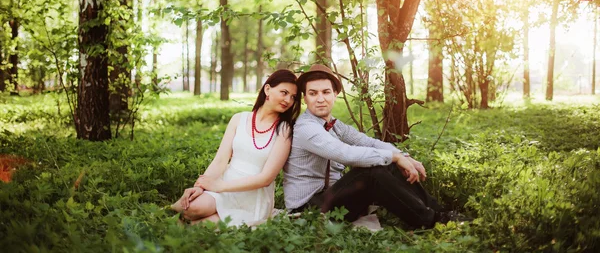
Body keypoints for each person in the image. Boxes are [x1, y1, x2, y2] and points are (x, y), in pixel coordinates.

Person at [283, 64, 465, 228]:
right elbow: (345, 153)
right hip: (307, 210)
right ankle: (430, 220)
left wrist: (403, 156)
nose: (320, 99)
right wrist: (395, 157)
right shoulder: (306, 127)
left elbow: (368, 142)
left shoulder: (335, 125)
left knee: (387, 160)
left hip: (330, 199)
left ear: (335, 94)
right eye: (313, 93)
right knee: (373, 171)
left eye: (326, 92)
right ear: (305, 98)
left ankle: (442, 214)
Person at [171, 69, 300, 226]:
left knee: (197, 224)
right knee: (191, 209)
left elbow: (266, 179)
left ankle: (199, 221)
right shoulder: (239, 118)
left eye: (293, 97)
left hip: (253, 194)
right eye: (284, 92)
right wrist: (200, 186)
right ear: (267, 89)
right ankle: (178, 212)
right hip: (226, 182)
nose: (288, 100)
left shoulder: (284, 129)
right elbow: (220, 160)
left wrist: (220, 186)